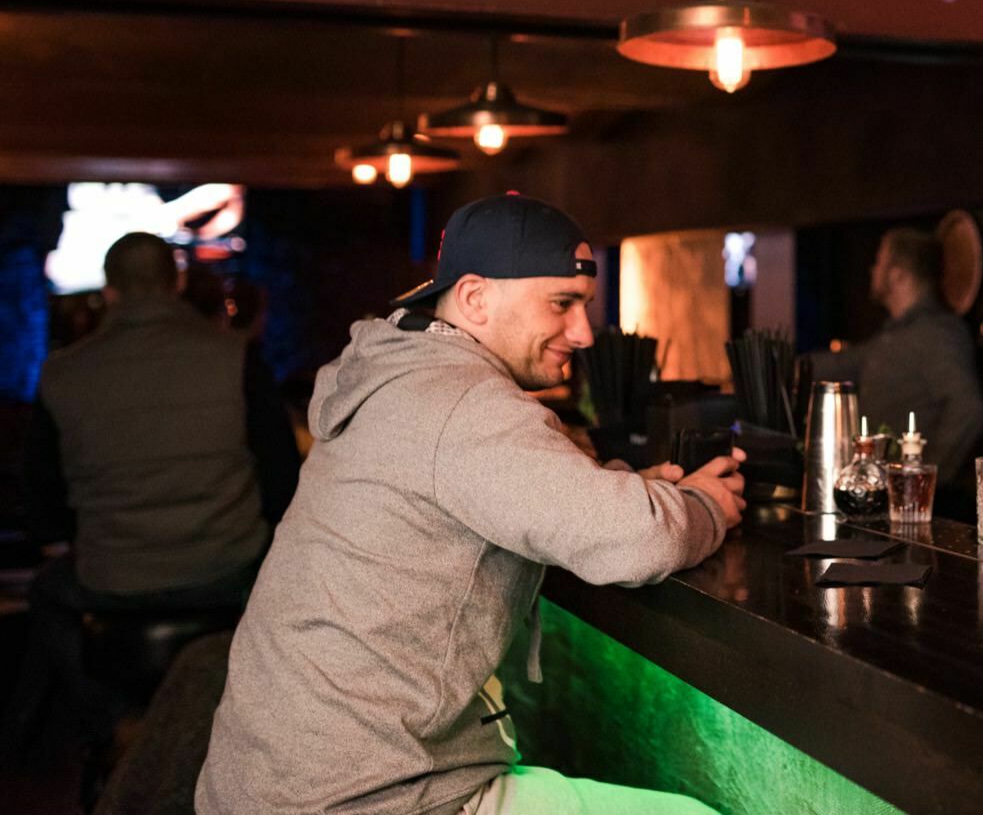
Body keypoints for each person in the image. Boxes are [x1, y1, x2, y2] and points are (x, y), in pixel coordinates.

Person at [197, 195, 746, 815]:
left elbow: (504, 490)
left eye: (584, 306)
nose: (584, 333)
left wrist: (620, 487)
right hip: (365, 798)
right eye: (562, 304)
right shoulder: (460, 398)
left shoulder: (405, 375)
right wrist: (703, 503)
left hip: (271, 784)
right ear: (476, 298)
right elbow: (642, 540)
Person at [5, 232, 300, 759]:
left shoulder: (62, 373)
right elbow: (280, 479)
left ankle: (106, 720)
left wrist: (76, 537)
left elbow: (42, 497)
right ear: (177, 281)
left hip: (112, 576)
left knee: (48, 593)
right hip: (225, 568)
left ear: (110, 290)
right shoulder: (234, 358)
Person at [809, 227, 983, 480]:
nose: (872, 270)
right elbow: (848, 362)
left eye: (878, 263)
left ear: (898, 275)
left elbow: (969, 409)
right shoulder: (896, 334)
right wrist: (783, 366)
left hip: (912, 502)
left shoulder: (937, 332)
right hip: (881, 492)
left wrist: (928, 475)